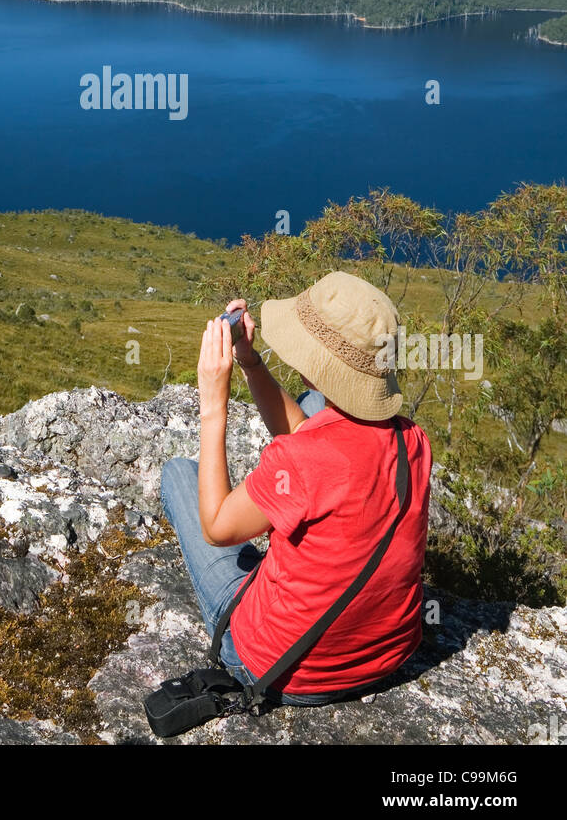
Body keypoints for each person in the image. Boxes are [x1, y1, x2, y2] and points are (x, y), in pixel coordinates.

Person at [160, 271, 432, 704]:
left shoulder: (302, 459)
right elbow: (318, 443)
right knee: (309, 412)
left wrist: (214, 402)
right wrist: (250, 362)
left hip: (283, 665)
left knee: (178, 473)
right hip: (387, 656)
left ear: (315, 364)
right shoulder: (412, 439)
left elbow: (217, 528)